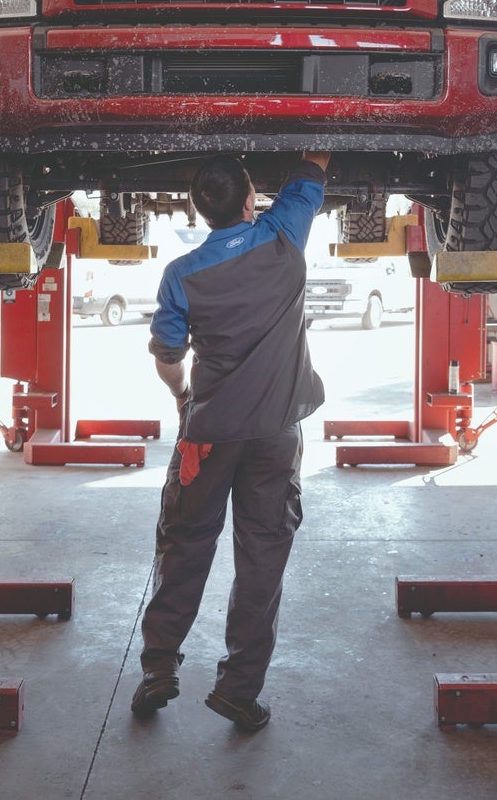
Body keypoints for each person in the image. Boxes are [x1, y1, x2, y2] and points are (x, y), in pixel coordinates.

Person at [131, 150, 330, 733]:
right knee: (262, 558)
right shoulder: (283, 238)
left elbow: (168, 359)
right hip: (274, 435)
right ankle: (239, 692)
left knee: (185, 546)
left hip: (208, 439)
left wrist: (182, 395)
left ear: (199, 211)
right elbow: (313, 168)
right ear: (251, 201)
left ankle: (158, 670)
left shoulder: (181, 274)